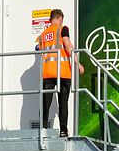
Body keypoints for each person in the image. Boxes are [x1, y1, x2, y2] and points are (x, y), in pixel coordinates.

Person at [36, 8, 84, 137]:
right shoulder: (63, 29)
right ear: (60, 19)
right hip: (62, 72)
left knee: (46, 102)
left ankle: (43, 129)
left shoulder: (43, 35)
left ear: (51, 19)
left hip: (47, 73)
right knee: (63, 102)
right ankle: (63, 131)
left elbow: (38, 50)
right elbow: (67, 45)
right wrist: (77, 63)